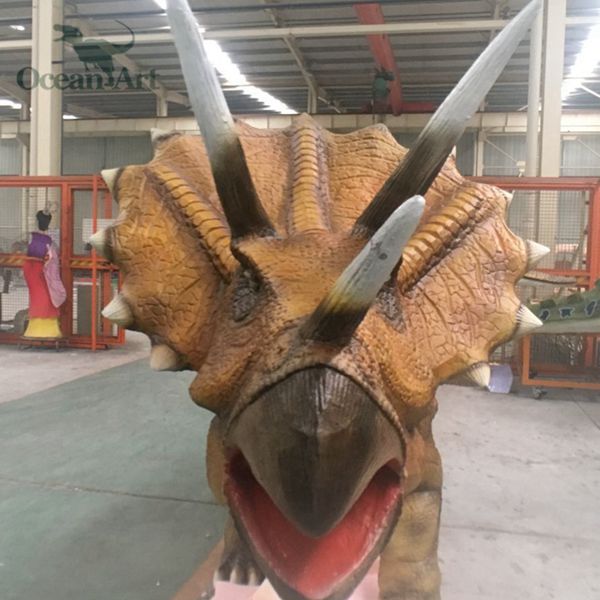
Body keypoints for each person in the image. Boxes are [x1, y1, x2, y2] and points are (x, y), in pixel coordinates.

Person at [22, 210, 66, 339]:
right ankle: (49, 331)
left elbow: (24, 251)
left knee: (37, 298)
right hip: (44, 271)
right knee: (47, 298)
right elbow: (54, 257)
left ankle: (35, 331)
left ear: (36, 221)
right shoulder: (50, 242)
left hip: (32, 271)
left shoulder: (30, 237)